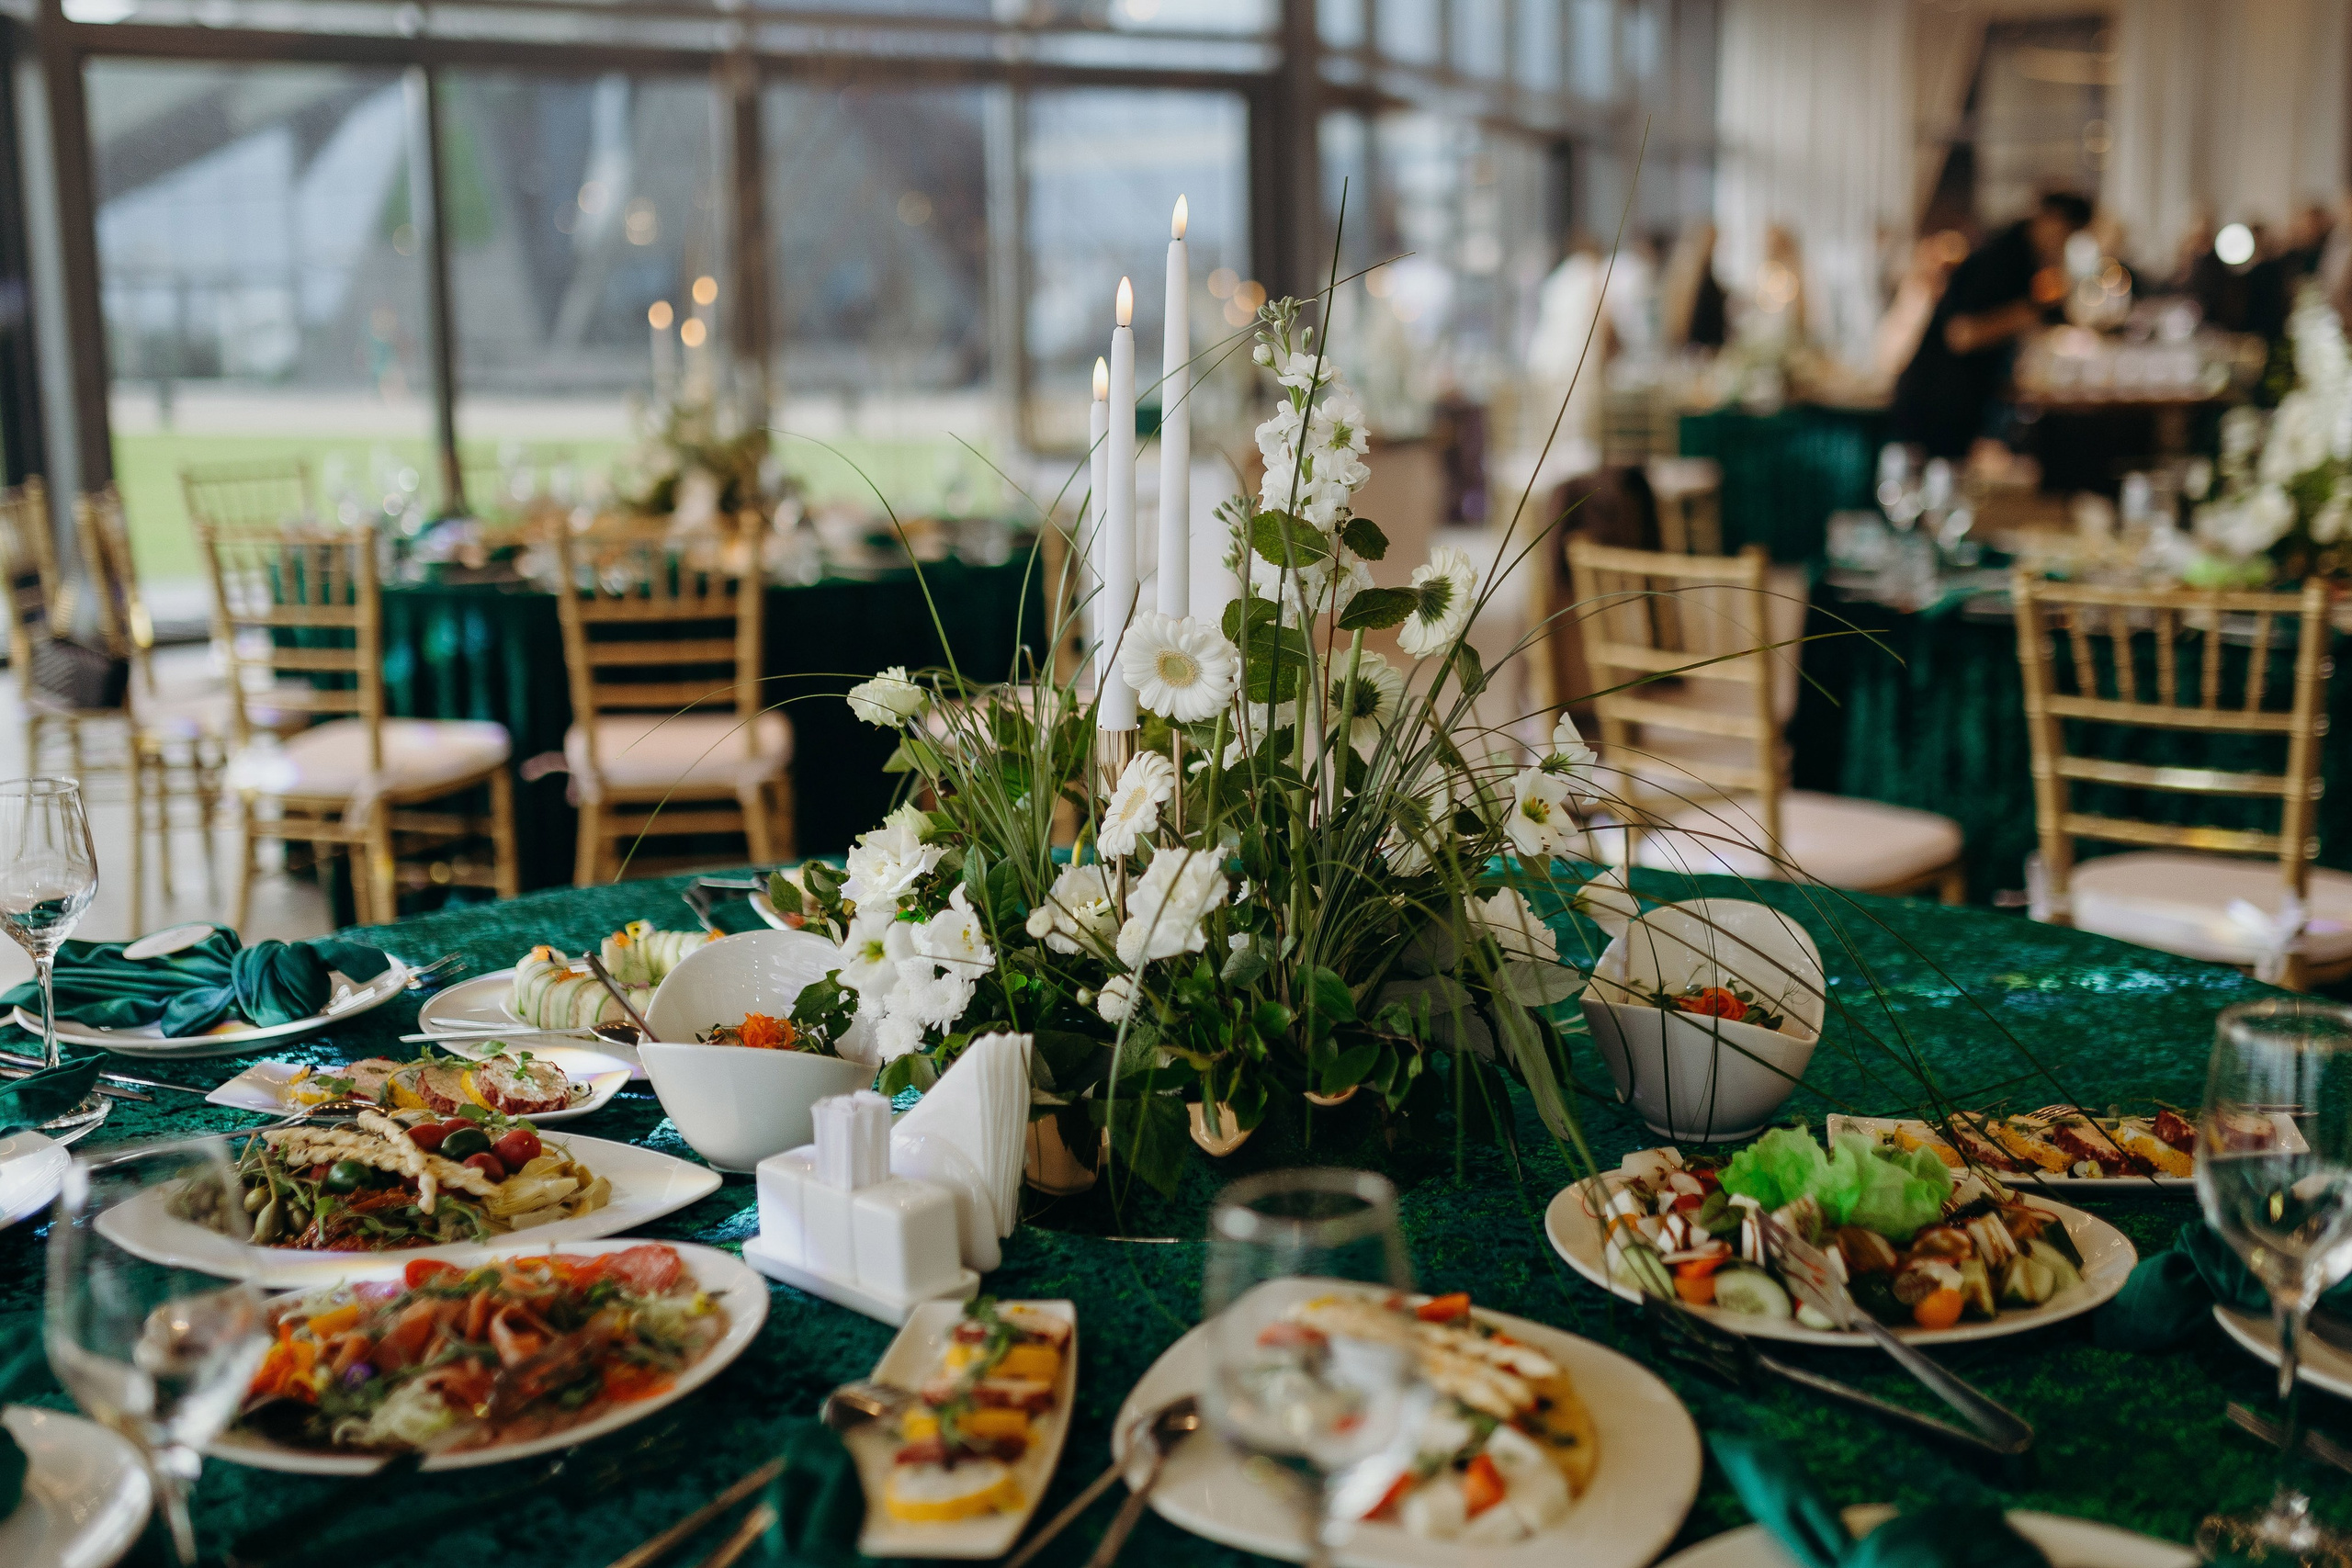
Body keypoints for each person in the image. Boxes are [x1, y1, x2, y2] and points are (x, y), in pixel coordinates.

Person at [1889, 191, 2091, 459]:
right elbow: (1961, 335)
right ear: (2050, 219)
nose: (2063, 243)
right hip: (1937, 398)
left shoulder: (2026, 258)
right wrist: (2029, 313)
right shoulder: (2001, 259)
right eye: (2067, 234)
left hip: (1953, 397)